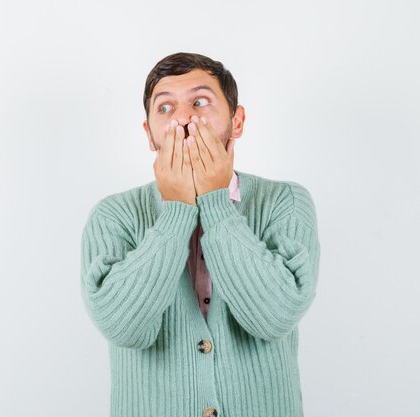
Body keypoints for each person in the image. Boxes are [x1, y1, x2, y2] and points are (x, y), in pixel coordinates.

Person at [80, 52, 320, 417]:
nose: (182, 119)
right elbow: (124, 327)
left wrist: (215, 201)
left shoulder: (285, 202)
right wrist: (177, 210)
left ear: (236, 122)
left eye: (200, 101)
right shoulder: (113, 215)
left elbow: (274, 318)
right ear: (149, 134)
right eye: (164, 108)